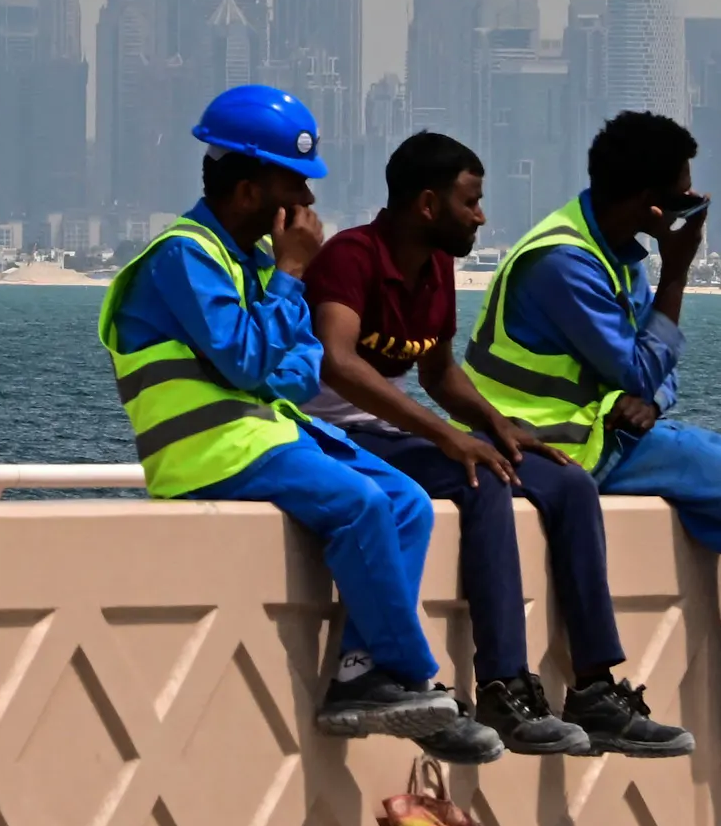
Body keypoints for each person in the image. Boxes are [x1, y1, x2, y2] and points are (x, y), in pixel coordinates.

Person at [99, 85, 491, 757]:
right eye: (296, 186)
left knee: (407, 503)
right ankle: (415, 678)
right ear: (249, 191)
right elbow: (254, 361)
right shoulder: (184, 257)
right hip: (208, 453)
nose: (308, 205)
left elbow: (300, 367)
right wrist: (288, 278)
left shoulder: (251, 263)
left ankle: (360, 675)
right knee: (361, 504)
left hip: (267, 435)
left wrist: (276, 305)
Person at [305, 132, 692, 758]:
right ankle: (504, 685)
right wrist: (449, 437)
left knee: (567, 483)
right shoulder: (351, 257)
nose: (482, 217)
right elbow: (339, 364)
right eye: (471, 202)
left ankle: (594, 687)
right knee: (479, 481)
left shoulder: (434, 265)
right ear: (428, 205)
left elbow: (438, 373)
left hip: (392, 432)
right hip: (334, 435)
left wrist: (495, 426)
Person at [463, 110, 721, 760]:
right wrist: (677, 273)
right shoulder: (563, 263)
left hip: (615, 430)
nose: (693, 204)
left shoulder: (615, 253)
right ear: (653, 206)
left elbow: (651, 373)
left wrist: (647, 393)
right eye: (683, 193)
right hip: (567, 447)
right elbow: (640, 362)